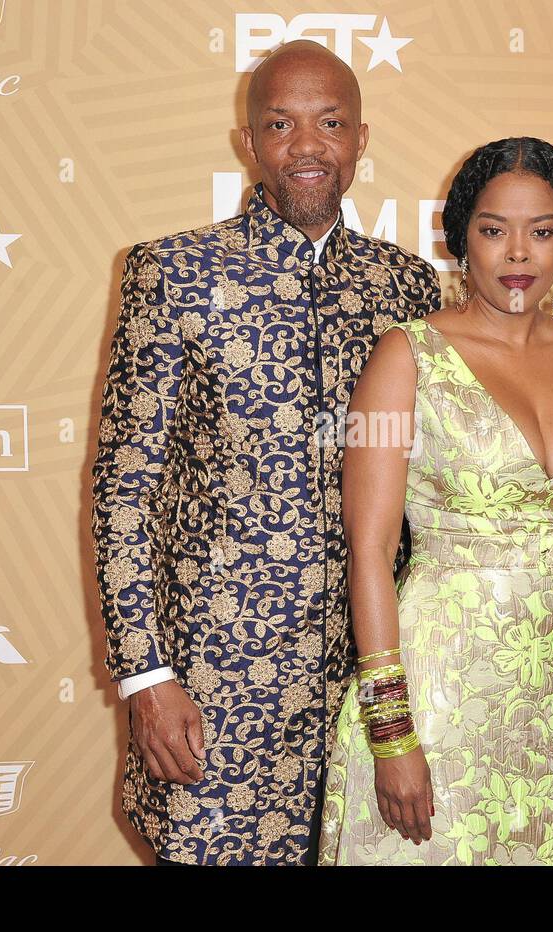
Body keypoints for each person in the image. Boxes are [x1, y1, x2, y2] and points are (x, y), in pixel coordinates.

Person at [90, 40, 440, 865]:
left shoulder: (408, 288)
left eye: (330, 123)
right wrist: (145, 676)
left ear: (361, 139)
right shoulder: (172, 273)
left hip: (370, 686)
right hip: (216, 688)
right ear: (248, 142)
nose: (307, 146)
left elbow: (431, 487)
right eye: (280, 124)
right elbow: (122, 489)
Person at [317, 137, 553, 865]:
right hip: (438, 692)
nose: (518, 253)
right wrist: (392, 732)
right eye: (493, 230)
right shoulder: (404, 357)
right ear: (461, 241)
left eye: (541, 231)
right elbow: (370, 550)